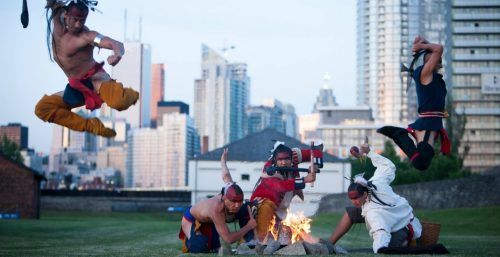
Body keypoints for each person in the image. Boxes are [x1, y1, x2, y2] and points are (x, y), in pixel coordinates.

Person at [35, 0, 139, 137]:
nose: (78, 24)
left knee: (119, 102)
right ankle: (93, 126)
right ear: (65, 15)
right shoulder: (57, 20)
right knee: (43, 108)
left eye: (82, 21)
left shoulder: (87, 37)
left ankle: (133, 94)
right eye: (75, 20)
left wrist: (117, 54)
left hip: (97, 81)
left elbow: (116, 44)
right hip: (77, 87)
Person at [327, 143, 422, 254]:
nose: (354, 202)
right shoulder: (376, 181)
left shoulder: (373, 212)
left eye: (356, 198)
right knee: (352, 212)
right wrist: (369, 152)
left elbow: (380, 231)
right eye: (351, 199)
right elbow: (388, 166)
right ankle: (328, 245)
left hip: (401, 226)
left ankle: (406, 242)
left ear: (365, 195)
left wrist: (380, 249)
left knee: (387, 250)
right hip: (387, 217)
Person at [378, 36, 450, 171]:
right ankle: (399, 134)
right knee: (421, 163)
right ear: (430, 62)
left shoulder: (436, 79)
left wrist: (424, 44)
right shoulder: (424, 74)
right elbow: (438, 49)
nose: (440, 63)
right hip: (427, 124)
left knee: (423, 162)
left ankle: (399, 135)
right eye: (438, 61)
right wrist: (422, 47)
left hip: (433, 123)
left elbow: (435, 51)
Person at [178, 149, 257, 253]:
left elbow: (226, 176)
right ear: (224, 198)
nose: (237, 205)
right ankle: (193, 239)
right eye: (233, 201)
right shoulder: (216, 209)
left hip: (210, 220)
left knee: (246, 208)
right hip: (192, 219)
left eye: (239, 201)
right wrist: (249, 226)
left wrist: (223, 162)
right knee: (200, 248)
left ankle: (250, 242)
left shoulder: (231, 188)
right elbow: (228, 239)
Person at [250, 143, 318, 253]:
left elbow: (314, 153)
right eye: (280, 159)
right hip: (263, 207)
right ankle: (259, 244)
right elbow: (280, 186)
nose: (283, 162)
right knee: (266, 207)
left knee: (281, 238)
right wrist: (304, 180)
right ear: (275, 160)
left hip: (280, 211)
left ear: (291, 159)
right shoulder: (269, 170)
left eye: (286, 159)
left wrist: (314, 165)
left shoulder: (293, 165)